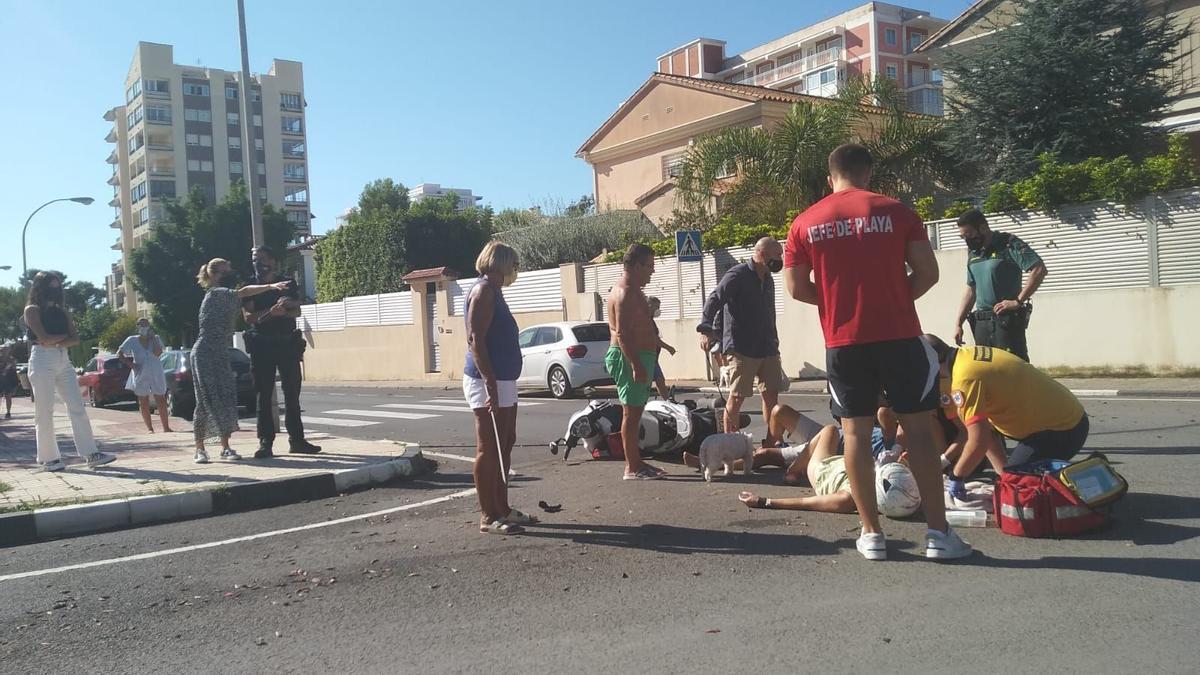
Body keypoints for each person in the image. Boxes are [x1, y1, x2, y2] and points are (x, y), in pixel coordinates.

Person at [783, 143, 972, 561]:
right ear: (867, 174)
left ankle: (871, 535)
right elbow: (928, 273)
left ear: (830, 178)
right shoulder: (898, 212)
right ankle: (939, 536)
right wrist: (893, 300)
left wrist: (839, 303)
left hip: (843, 342)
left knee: (855, 434)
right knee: (919, 432)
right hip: (900, 337)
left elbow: (796, 289)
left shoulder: (804, 223)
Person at [925, 335, 1089, 506]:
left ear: (932, 362)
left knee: (1021, 493)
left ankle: (1079, 483)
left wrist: (956, 476)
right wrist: (1004, 477)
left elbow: (977, 441)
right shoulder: (965, 356)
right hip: (1063, 419)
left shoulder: (965, 378)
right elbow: (985, 432)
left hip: (1062, 431)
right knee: (1009, 483)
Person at [464, 242, 538, 535]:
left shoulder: (495, 291)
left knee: (505, 441)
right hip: (488, 380)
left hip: (505, 378)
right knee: (489, 447)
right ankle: (488, 515)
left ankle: (503, 507)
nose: (515, 271)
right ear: (501, 264)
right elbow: (476, 340)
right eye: (514, 265)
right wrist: (490, 383)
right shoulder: (483, 291)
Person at [193, 258, 291, 464]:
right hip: (204, 352)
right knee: (206, 399)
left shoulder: (228, 296)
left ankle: (225, 447)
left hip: (221, 351)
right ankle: (200, 449)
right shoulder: (215, 293)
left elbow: (245, 301)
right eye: (223, 272)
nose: (228, 275)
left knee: (226, 397)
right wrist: (270, 286)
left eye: (228, 270)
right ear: (212, 275)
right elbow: (244, 292)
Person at [22, 271, 116, 471]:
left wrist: (56, 339)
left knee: (77, 406)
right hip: (41, 361)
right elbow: (44, 339)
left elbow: (74, 339)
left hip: (63, 360)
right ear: (40, 287)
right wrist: (62, 338)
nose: (55, 290)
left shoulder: (63, 312)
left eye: (58, 285)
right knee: (44, 411)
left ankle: (91, 454)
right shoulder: (32, 310)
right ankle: (50, 459)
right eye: (51, 286)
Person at [698, 237, 786, 433]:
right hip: (742, 348)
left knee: (771, 396)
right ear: (762, 254)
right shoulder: (738, 275)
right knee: (737, 397)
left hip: (768, 347)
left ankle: (773, 442)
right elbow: (715, 298)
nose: (781, 259)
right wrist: (705, 329)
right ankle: (730, 445)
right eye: (778, 254)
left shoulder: (768, 278)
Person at [242, 246, 321, 459]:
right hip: (262, 345)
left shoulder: (287, 282)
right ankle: (265, 443)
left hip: (287, 343)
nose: (258, 264)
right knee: (264, 395)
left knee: (292, 395)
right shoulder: (250, 285)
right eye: (254, 259)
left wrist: (287, 306)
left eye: (261, 259)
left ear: (273, 261)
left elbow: (297, 309)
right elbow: (248, 317)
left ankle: (297, 440)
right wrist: (271, 313)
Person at [605, 244, 667, 480]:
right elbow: (622, 333)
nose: (652, 271)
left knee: (635, 412)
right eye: (649, 266)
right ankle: (632, 467)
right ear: (636, 265)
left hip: (640, 356)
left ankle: (638, 462)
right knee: (631, 415)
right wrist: (636, 365)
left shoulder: (633, 290)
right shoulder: (625, 292)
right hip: (631, 357)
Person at [952, 209, 1048, 362]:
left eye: (969, 234)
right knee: (987, 372)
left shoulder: (1008, 243)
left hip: (1005, 321)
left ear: (983, 227)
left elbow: (1039, 269)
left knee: (1012, 370)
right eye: (962, 236)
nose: (966, 239)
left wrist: (1017, 301)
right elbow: (971, 288)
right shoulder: (973, 253)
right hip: (981, 324)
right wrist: (959, 323)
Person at [735, 424, 856, 514]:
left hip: (823, 470)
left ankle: (793, 471)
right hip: (844, 461)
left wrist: (764, 501)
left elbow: (806, 502)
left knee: (766, 455)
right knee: (830, 429)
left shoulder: (849, 498)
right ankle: (793, 470)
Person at [118, 318, 171, 433]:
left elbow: (158, 353)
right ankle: (149, 428)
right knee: (143, 401)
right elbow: (120, 353)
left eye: (146, 324)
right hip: (140, 372)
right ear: (137, 326)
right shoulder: (132, 340)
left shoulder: (155, 338)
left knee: (161, 399)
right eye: (141, 325)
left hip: (156, 372)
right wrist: (131, 364)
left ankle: (166, 427)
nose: (144, 327)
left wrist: (153, 339)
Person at [646, 296, 676, 400]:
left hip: (653, 358)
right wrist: (669, 348)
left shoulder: (650, 319)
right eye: (656, 307)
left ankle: (667, 402)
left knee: (660, 381)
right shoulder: (645, 320)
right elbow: (654, 339)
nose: (658, 310)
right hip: (647, 358)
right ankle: (640, 406)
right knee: (647, 384)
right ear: (649, 306)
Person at [0, 344, 17, 420]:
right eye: (3, 350)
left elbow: (14, 369)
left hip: (8, 381)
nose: (4, 351)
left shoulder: (11, 359)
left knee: (8, 397)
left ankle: (8, 412)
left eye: (6, 350)